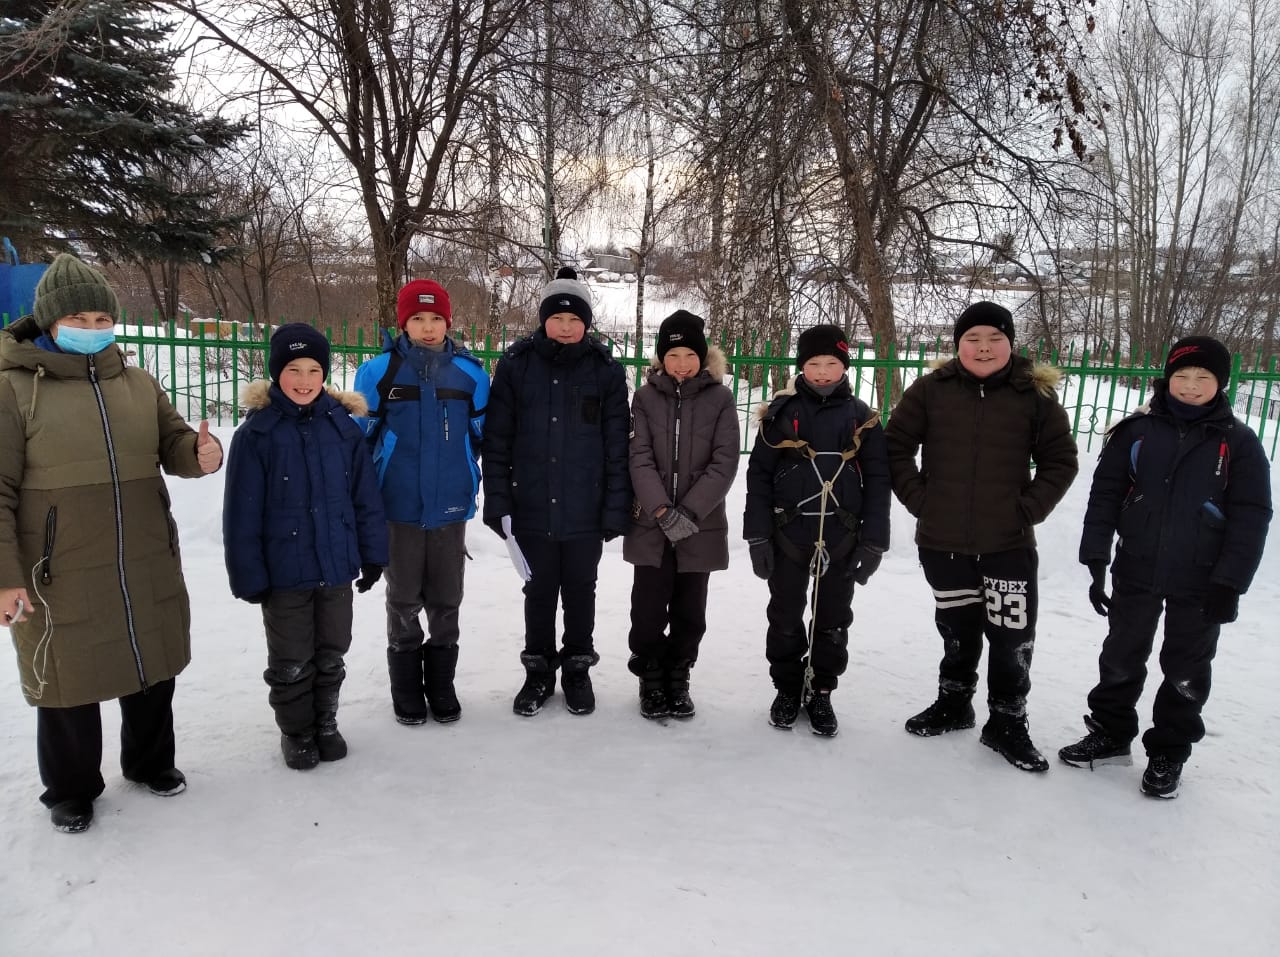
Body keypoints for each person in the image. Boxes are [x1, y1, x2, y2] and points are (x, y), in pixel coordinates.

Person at [0, 253, 223, 833]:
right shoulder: (14, 389)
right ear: (49, 321)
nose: (93, 328)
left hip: (142, 552)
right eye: (78, 318)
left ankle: (150, 763)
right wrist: (6, 577)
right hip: (59, 566)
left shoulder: (137, 382)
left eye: (102, 318)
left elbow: (173, 443)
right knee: (69, 676)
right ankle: (71, 789)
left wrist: (200, 455)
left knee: (151, 659)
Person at [1060, 336, 1271, 798]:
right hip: (1136, 566)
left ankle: (1169, 752)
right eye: (1182, 376)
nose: (1191, 386)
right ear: (1167, 378)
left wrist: (1230, 583)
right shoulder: (1136, 431)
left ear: (1220, 383)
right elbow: (1105, 494)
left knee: (1186, 668)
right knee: (1120, 654)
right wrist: (1096, 556)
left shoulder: (1238, 442)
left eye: (1203, 377)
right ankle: (1111, 734)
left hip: (1201, 578)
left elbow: (1252, 515)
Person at [886, 301, 1077, 771]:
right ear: (959, 345)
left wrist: (1028, 509)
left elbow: (1060, 461)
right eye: (973, 339)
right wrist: (921, 500)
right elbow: (895, 448)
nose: (984, 347)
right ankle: (955, 703)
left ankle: (1007, 721)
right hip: (941, 540)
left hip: (1008, 543)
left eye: (995, 338)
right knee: (957, 629)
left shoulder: (1034, 395)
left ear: (1010, 344)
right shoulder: (931, 390)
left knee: (1012, 635)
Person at [224, 323, 388, 770]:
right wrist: (248, 575)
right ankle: (297, 732)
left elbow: (365, 499)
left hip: (335, 567)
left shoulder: (343, 429)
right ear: (276, 373)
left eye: (314, 370)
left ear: (325, 374)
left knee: (332, 651)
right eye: (293, 370)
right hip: (284, 572)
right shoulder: (257, 434)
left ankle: (325, 723)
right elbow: (241, 514)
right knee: (292, 658)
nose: (304, 380)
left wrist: (374, 555)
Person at [482, 267, 631, 716]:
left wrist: (615, 507)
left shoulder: (605, 370)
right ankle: (539, 672)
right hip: (531, 505)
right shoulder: (516, 365)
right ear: (543, 319)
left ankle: (577, 671)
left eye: (574, 320)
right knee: (539, 591)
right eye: (557, 318)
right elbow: (497, 440)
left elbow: (617, 446)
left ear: (587, 323)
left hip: (585, 508)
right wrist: (499, 501)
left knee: (582, 590)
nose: (565, 328)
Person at [743, 324, 891, 737]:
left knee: (833, 619)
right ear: (801, 367)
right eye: (813, 364)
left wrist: (874, 541)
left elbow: (879, 480)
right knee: (785, 616)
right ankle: (787, 688)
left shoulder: (863, 418)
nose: (823, 372)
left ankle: (821, 689)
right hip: (788, 534)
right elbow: (759, 477)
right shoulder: (780, 415)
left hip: (842, 538)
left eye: (831, 363)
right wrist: (757, 536)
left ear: (845, 366)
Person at [352, 279, 489, 725]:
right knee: (403, 599)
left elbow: (482, 435)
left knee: (447, 599)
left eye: (435, 319)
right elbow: (359, 440)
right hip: (399, 507)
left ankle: (442, 685)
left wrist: (464, 469)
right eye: (417, 318)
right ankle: (407, 687)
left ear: (448, 322)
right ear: (403, 323)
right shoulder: (378, 372)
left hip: (450, 506)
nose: (427, 328)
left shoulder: (471, 374)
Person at [624, 310, 739, 720]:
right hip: (651, 526)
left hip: (698, 526)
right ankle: (651, 676)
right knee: (648, 609)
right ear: (661, 357)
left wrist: (688, 512)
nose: (682, 363)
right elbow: (638, 458)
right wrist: (661, 510)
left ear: (703, 356)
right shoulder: (644, 398)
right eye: (673, 355)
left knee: (691, 611)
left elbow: (724, 462)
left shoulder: (720, 399)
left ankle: (678, 675)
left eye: (690, 354)